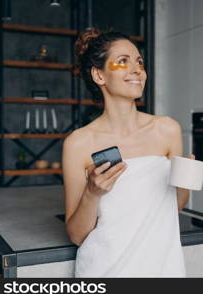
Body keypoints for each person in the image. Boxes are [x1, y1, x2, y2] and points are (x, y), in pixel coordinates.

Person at [62, 28, 193, 277]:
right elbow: (77, 235)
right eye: (123, 62)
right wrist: (92, 193)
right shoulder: (78, 144)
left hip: (162, 268)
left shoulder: (167, 129)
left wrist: (184, 178)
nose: (137, 70)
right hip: (103, 270)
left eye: (139, 62)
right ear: (99, 75)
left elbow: (176, 204)